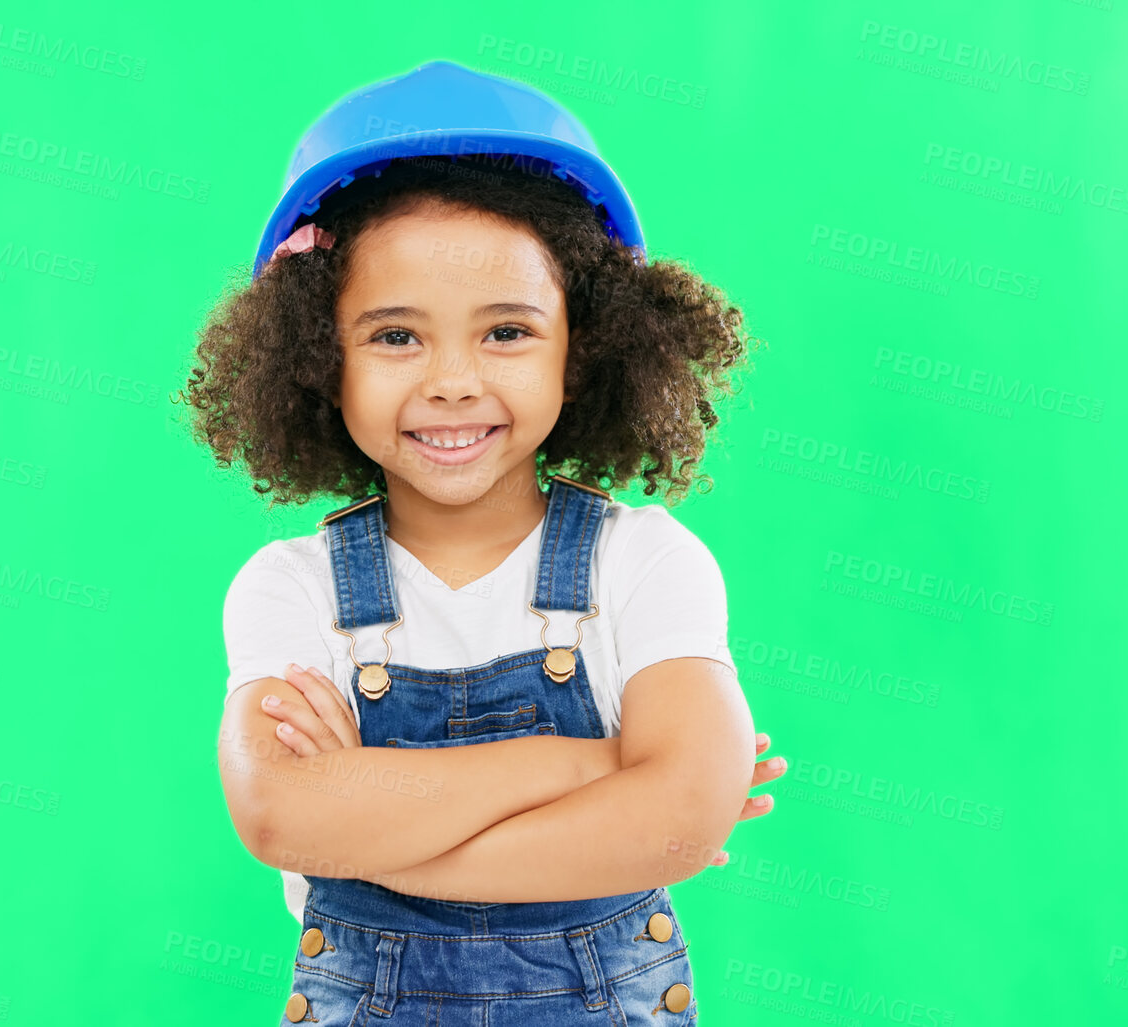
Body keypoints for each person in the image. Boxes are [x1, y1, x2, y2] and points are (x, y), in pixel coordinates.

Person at [181, 59, 784, 1025]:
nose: (453, 380)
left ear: (582, 349)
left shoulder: (644, 561)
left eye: (505, 331)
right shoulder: (288, 587)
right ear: (314, 356)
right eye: (395, 337)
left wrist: (373, 828)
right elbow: (279, 814)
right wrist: (590, 764)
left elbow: (681, 818)